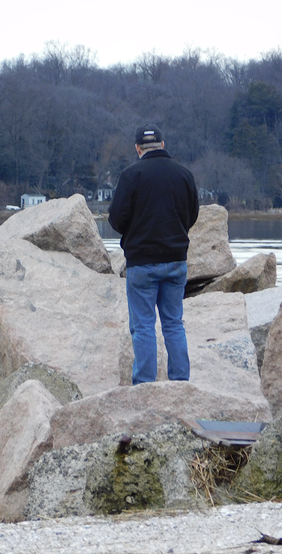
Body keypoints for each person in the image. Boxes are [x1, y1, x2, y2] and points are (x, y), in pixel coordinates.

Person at [108, 124, 199, 385]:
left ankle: (145, 386)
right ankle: (181, 383)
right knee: (173, 323)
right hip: (175, 260)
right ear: (162, 145)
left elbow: (116, 220)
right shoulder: (184, 174)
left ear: (138, 148)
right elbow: (192, 215)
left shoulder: (130, 175)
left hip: (141, 263)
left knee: (144, 326)